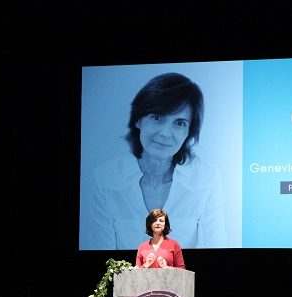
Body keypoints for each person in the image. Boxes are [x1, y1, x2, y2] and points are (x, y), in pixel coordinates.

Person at [84, 72, 227, 249]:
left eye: (179, 123)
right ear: (138, 119)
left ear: (189, 132)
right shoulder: (105, 180)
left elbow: (216, 249)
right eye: (158, 117)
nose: (165, 133)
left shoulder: (206, 178)